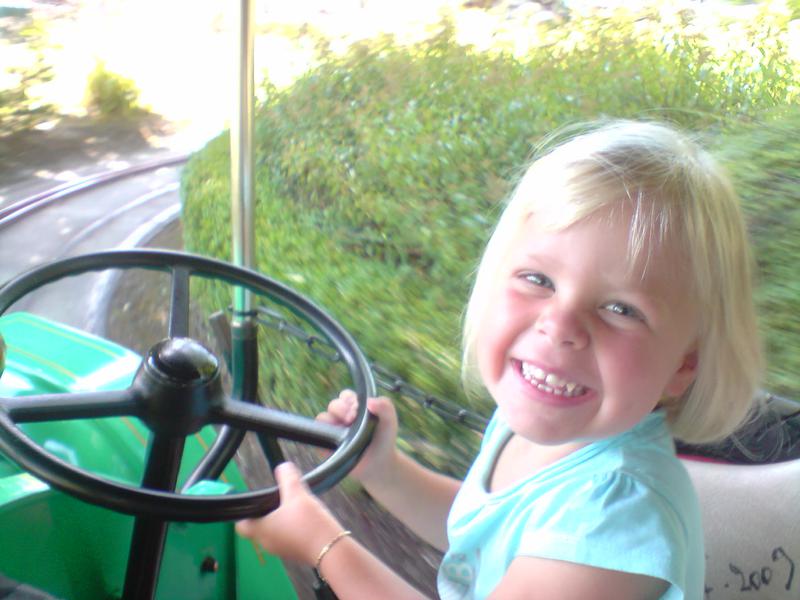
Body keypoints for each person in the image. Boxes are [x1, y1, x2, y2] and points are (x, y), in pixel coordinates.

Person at [236, 120, 763, 599]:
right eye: (538, 279)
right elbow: (484, 535)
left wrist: (325, 547)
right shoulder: (531, 421)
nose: (559, 325)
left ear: (684, 365)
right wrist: (386, 472)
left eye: (621, 309)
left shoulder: (615, 513)